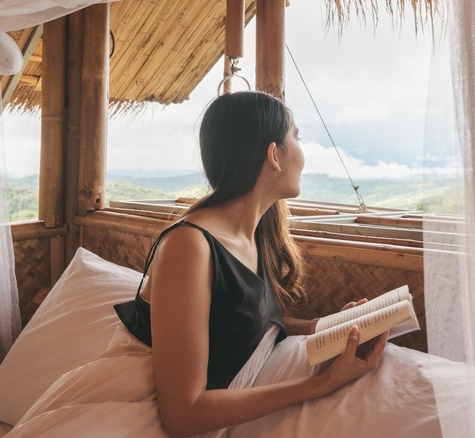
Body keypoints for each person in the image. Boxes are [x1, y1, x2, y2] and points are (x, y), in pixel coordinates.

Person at [114, 91, 388, 438]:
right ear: (274, 154)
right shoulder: (189, 246)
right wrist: (320, 384)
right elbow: (182, 415)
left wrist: (324, 326)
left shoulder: (256, 235)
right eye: (297, 138)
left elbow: (231, 322)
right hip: (131, 421)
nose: (303, 153)